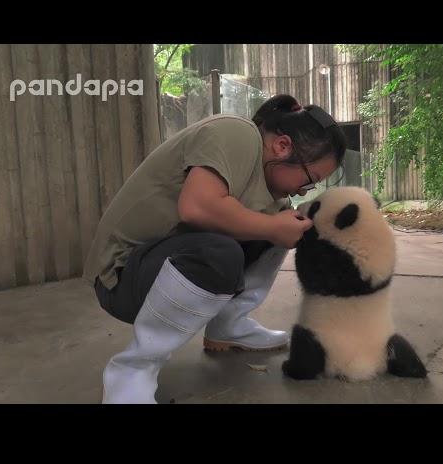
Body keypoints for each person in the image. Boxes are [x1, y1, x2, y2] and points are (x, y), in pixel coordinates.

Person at [82, 94, 347, 403]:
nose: (305, 189)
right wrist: (274, 227)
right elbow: (197, 207)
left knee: (283, 221)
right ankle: (133, 371)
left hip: (161, 266)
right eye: (310, 178)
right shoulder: (235, 132)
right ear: (282, 145)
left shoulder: (269, 190)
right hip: (121, 277)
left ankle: (228, 325)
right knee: (224, 251)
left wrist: (282, 227)